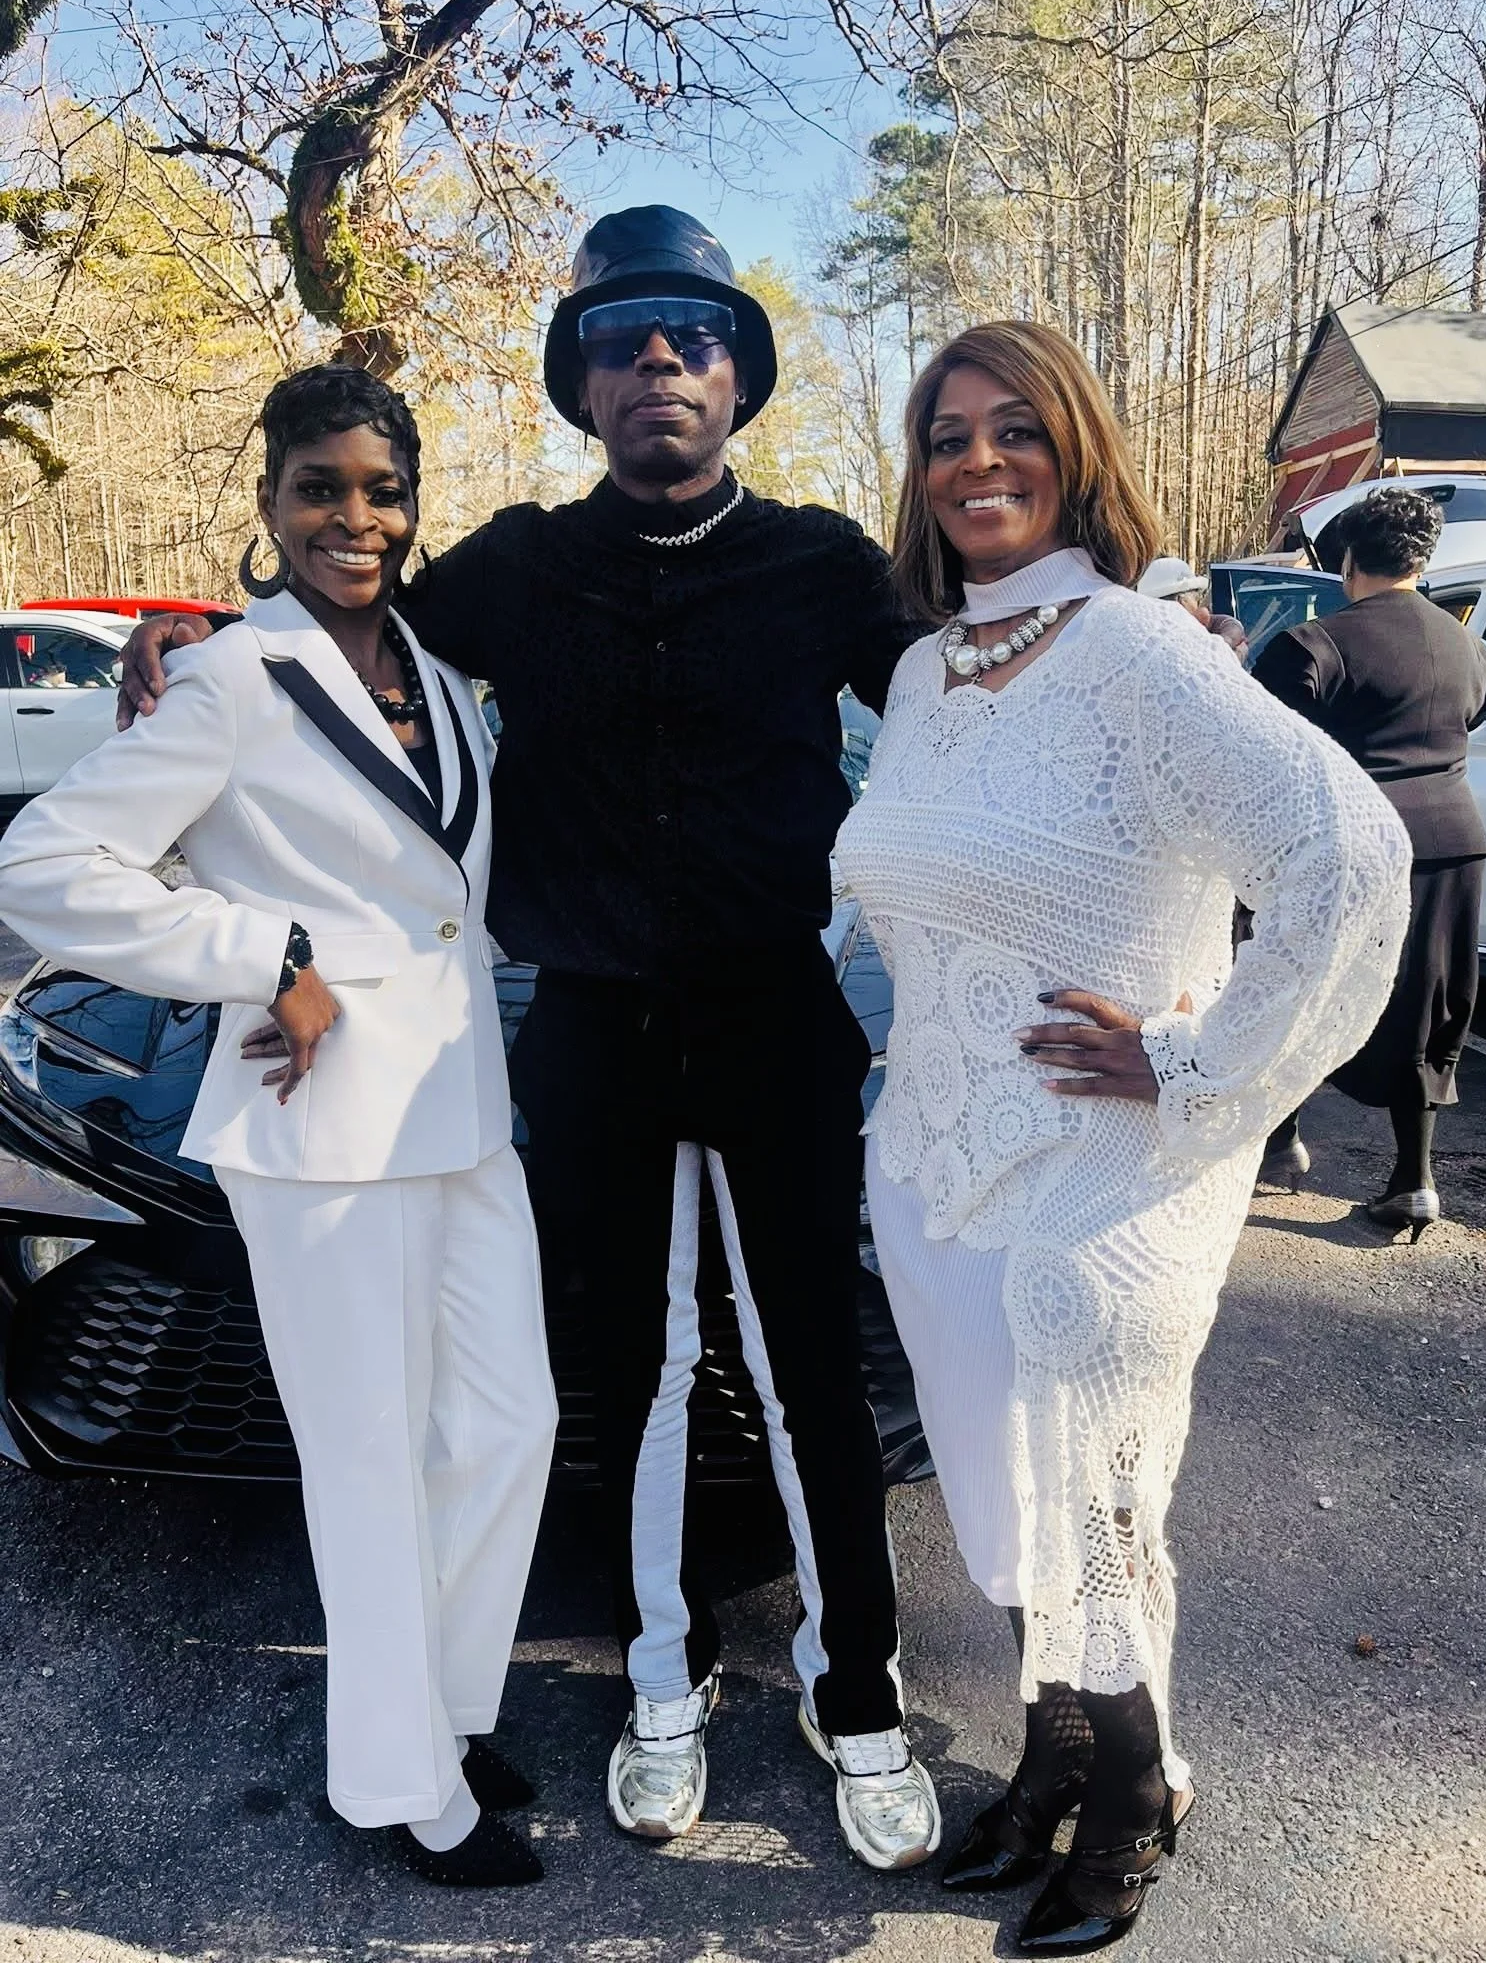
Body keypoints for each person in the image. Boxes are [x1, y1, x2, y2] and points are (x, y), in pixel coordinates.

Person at [116, 209, 943, 1871]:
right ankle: (662, 1678)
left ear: (738, 377)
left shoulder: (825, 564)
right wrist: (195, 630)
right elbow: (342, 622)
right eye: (623, 336)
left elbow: (972, 694)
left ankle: (858, 1693)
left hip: (775, 1017)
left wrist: (1140, 629)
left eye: (694, 335)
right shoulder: (510, 570)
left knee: (808, 1368)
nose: (660, 359)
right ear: (583, 381)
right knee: (621, 1374)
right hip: (589, 1030)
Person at [833, 321, 1411, 1953]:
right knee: (998, 1497)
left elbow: (1348, 860)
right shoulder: (922, 675)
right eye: (947, 435)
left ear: (1075, 448)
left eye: (1015, 428)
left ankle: (1140, 1785)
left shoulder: (1141, 656)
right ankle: (1053, 1755)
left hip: (1099, 1174)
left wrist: (1194, 1059)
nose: (978, 460)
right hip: (937, 1163)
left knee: (1090, 1497)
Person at [0, 366, 559, 1886]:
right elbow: (44, 863)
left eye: (381, 491)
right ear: (270, 502)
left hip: (461, 1108)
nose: (352, 519)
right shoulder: (232, 679)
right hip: (319, 1131)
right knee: (368, 1458)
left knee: (508, 1422)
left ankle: (442, 1713)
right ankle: (400, 1783)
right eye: (320, 488)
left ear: (413, 506)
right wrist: (265, 956)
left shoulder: (439, 671)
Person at [1253, 488, 1486, 1238]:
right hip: (1454, 844)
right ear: (1422, 561)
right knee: (1427, 1005)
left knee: (1305, 985)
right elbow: (1476, 712)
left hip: (1350, 845)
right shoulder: (1469, 648)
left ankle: (1280, 1142)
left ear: (1349, 559)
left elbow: (1265, 753)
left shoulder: (1312, 646)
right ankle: (1413, 1181)